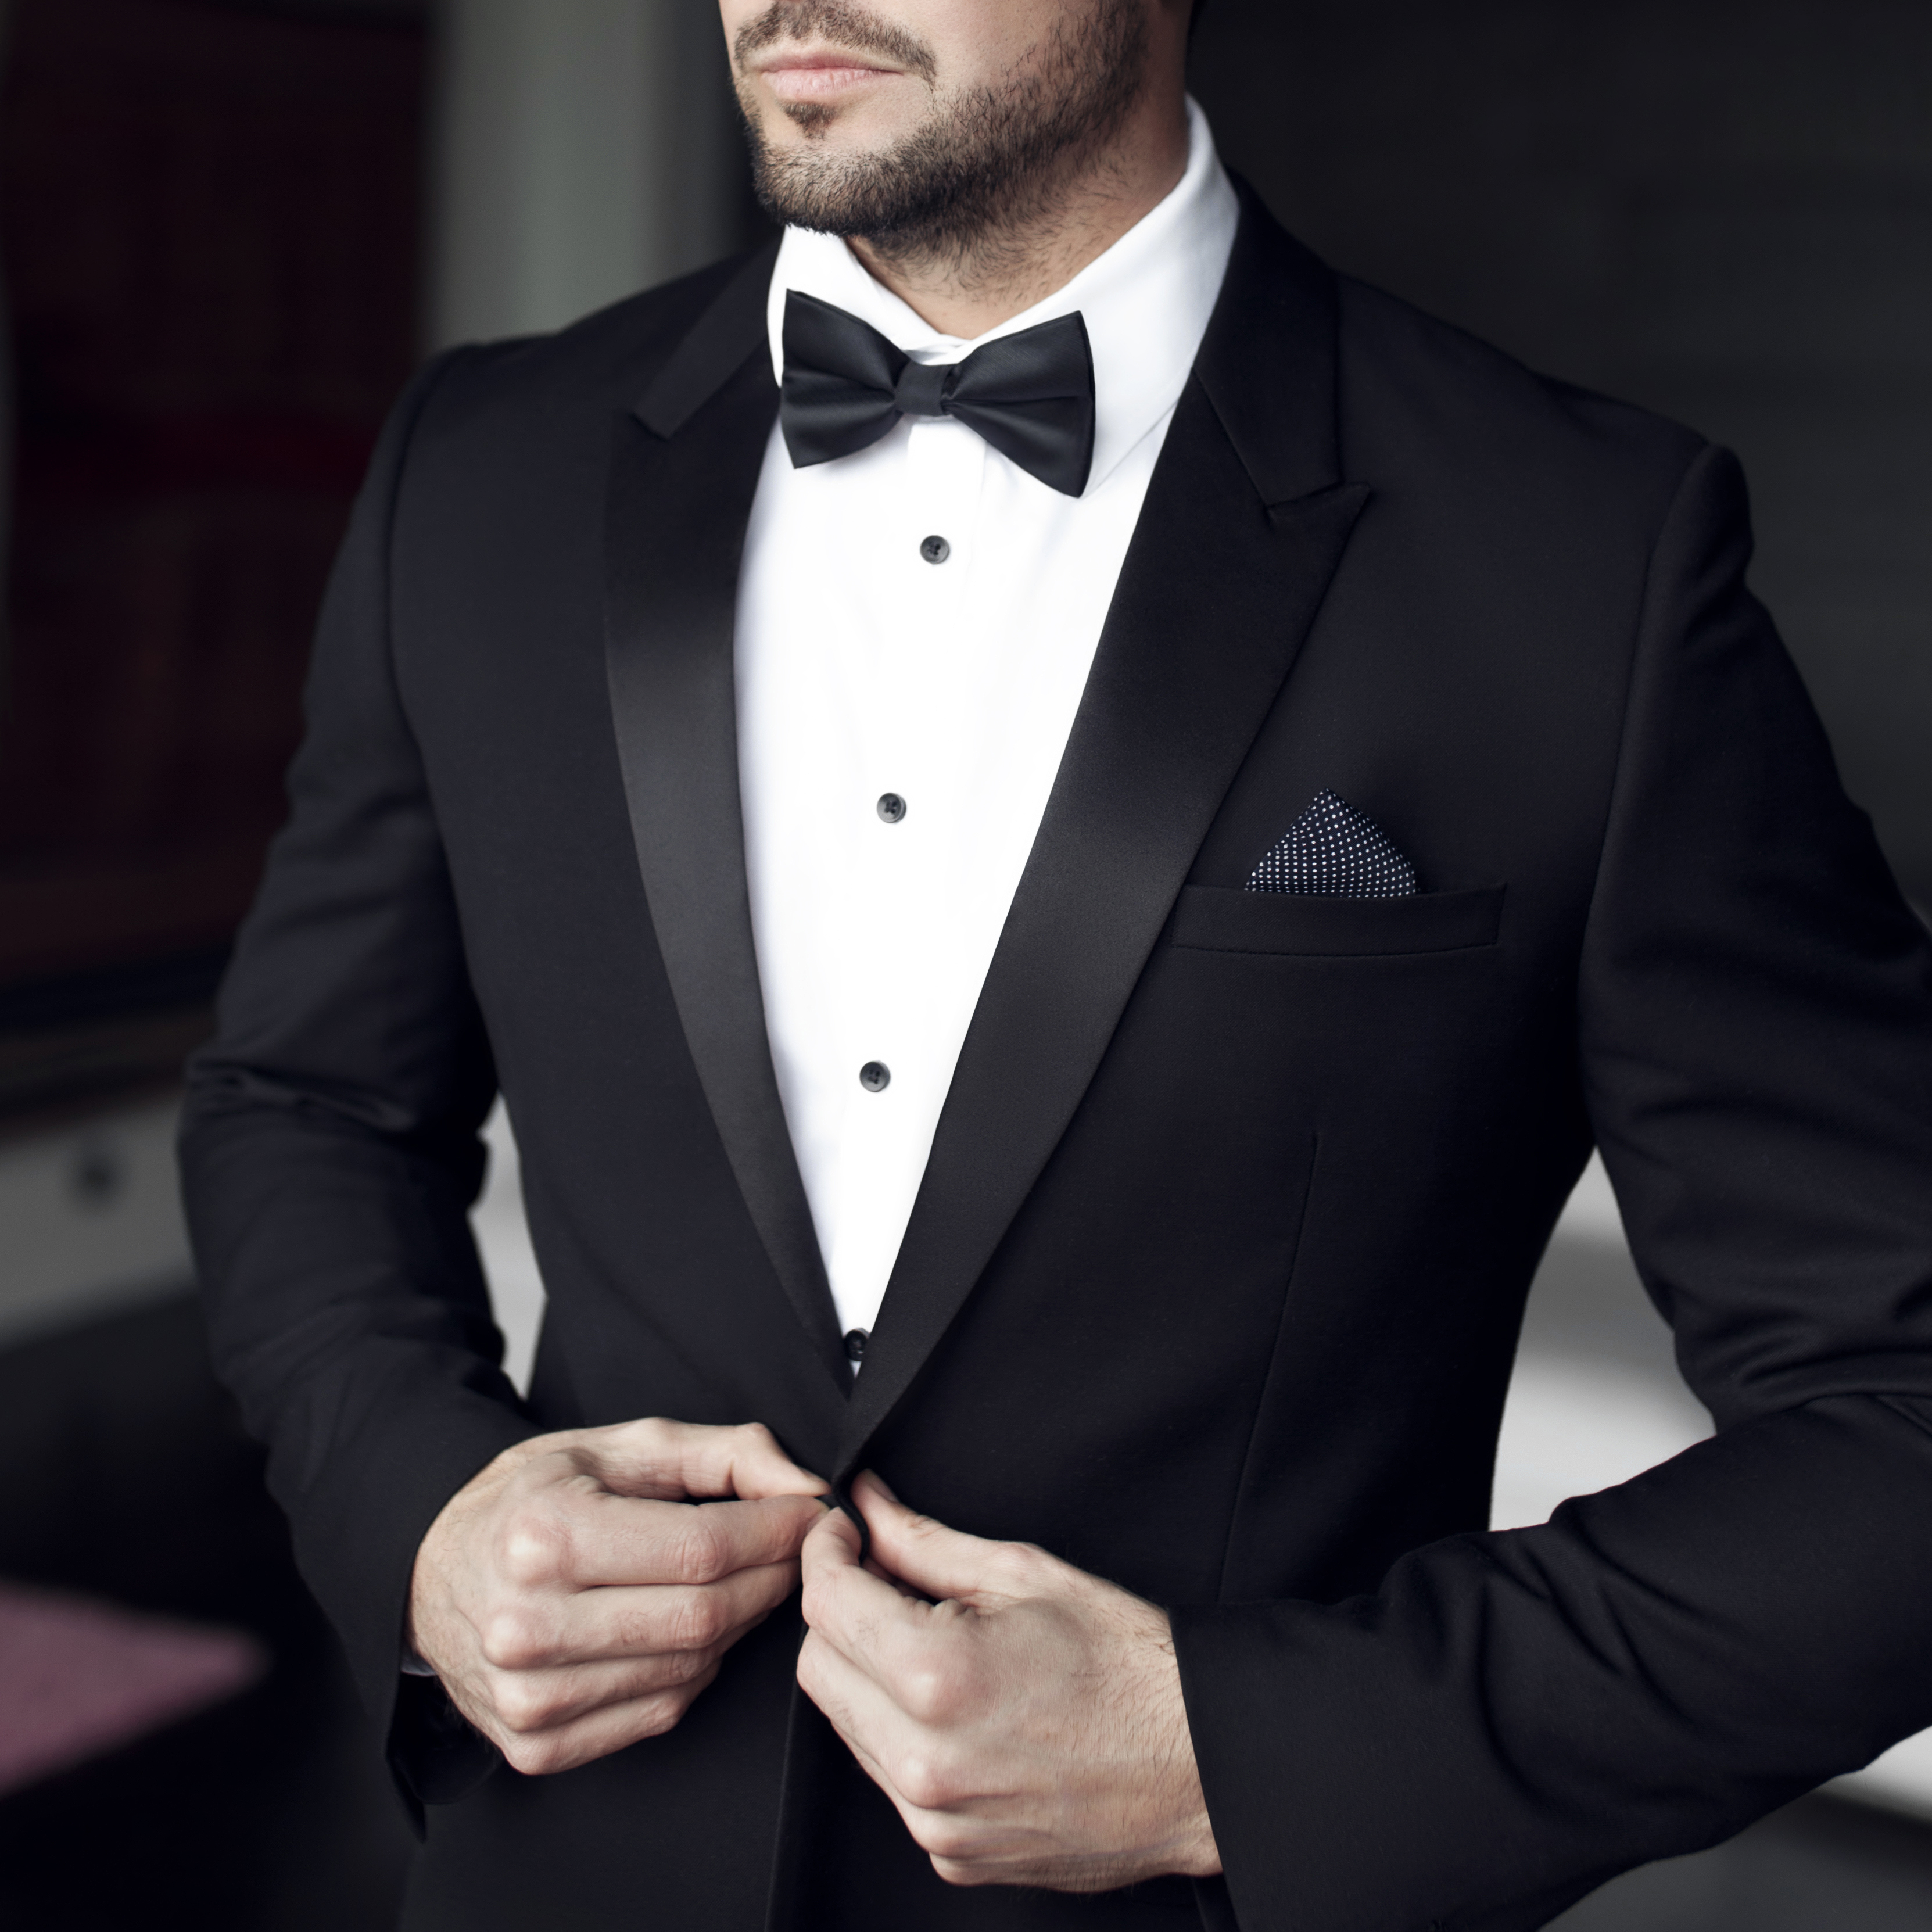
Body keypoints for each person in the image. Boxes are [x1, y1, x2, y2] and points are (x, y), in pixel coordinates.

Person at [179, 1, 1932, 1927]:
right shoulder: (478, 470)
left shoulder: (1586, 559)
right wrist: (423, 1509)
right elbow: (305, 1102)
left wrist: (1240, 1750)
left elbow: (1898, 1419)